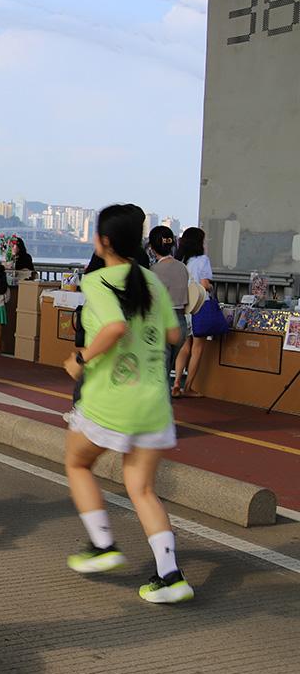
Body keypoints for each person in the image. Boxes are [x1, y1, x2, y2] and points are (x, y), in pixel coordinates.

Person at [62, 204, 192, 604]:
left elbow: (115, 327)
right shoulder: (151, 281)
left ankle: (103, 545)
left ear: (103, 241)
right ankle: (170, 576)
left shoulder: (98, 281)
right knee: (142, 489)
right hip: (154, 401)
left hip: (111, 400)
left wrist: (80, 358)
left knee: (78, 463)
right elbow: (175, 336)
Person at [173, 227, 213, 398]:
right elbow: (204, 284)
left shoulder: (179, 260)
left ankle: (175, 384)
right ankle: (188, 387)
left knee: (184, 347)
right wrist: (211, 286)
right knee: (197, 349)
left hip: (183, 306)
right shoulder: (203, 260)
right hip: (199, 306)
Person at [148, 226, 189, 390]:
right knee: (167, 369)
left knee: (160, 377)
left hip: (162, 322)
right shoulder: (182, 267)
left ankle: (161, 411)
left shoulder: (154, 271)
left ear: (152, 248)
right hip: (180, 322)